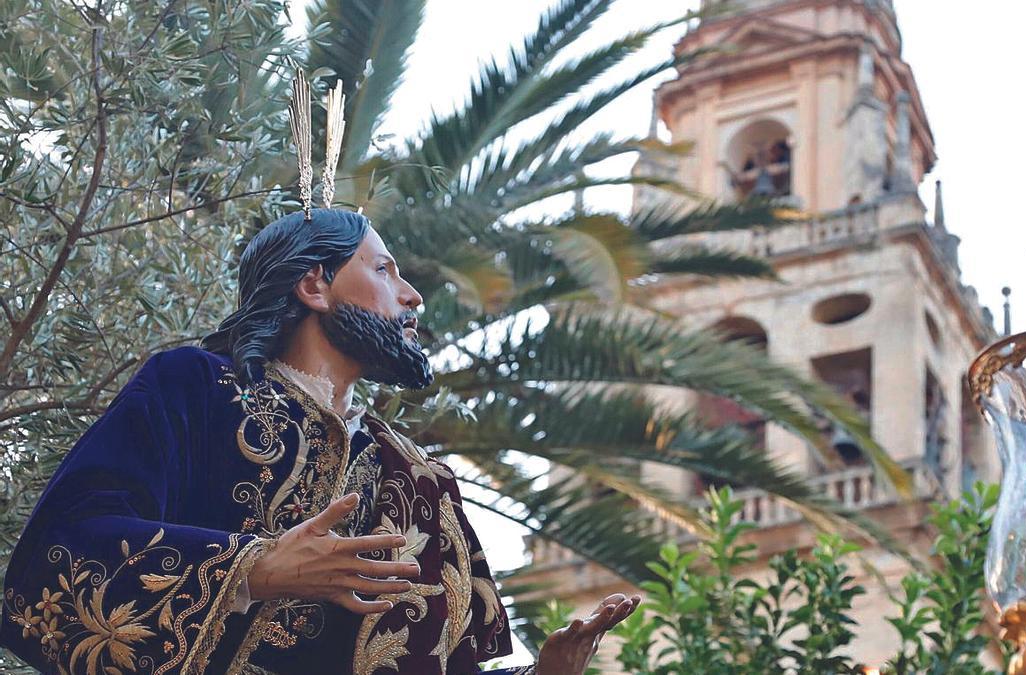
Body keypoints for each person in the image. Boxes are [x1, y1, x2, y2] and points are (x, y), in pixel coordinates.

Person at [0, 72, 638, 675]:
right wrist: (255, 570)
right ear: (314, 285)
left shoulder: (420, 481)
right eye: (383, 270)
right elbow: (58, 555)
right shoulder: (194, 389)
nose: (412, 296)